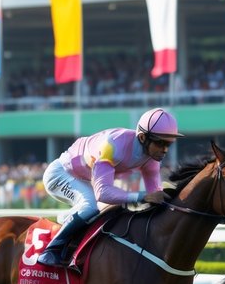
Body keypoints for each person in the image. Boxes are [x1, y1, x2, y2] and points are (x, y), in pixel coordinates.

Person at [36, 107, 180, 267]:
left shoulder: (152, 159)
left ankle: (72, 226)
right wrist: (142, 196)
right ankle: (51, 251)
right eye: (160, 143)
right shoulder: (113, 146)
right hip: (61, 174)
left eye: (169, 144)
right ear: (142, 137)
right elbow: (103, 193)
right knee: (91, 207)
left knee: (113, 213)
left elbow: (155, 195)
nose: (165, 150)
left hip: (85, 179)